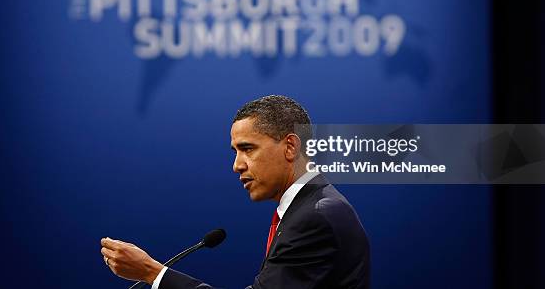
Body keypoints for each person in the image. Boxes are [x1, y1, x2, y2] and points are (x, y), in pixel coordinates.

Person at [100, 95, 370, 288]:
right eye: (236, 151)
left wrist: (153, 273)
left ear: (290, 147)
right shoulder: (311, 207)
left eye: (248, 149)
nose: (237, 165)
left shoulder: (315, 217)